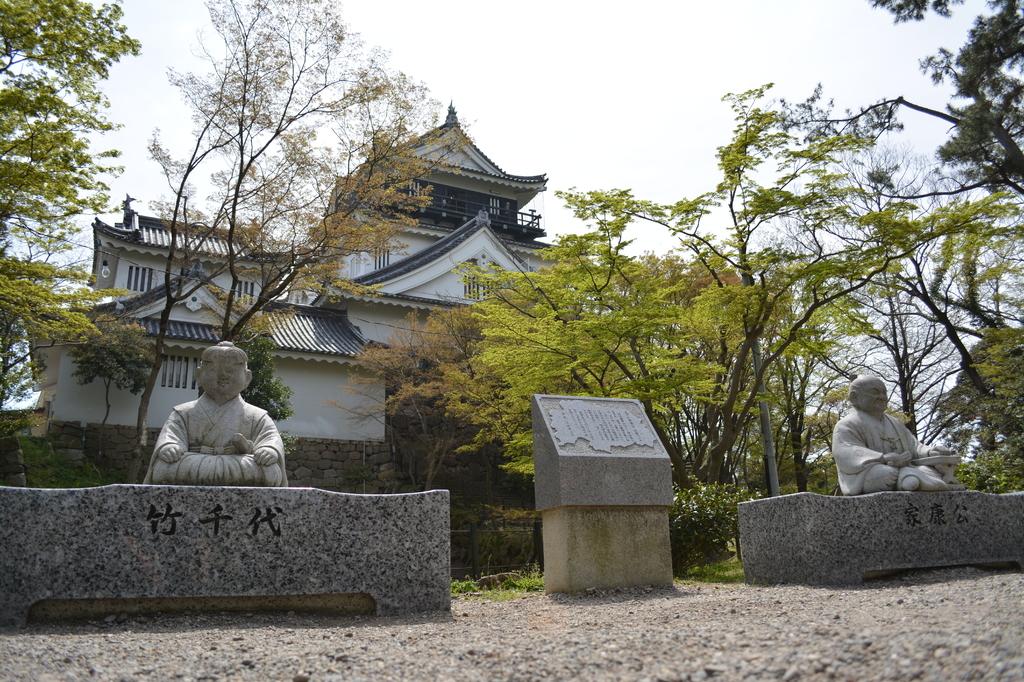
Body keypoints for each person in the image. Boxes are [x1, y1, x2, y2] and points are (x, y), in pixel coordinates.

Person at [144, 341, 287, 486]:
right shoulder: (183, 412)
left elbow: (270, 438)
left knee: (270, 469)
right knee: (164, 466)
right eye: (213, 370)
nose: (223, 376)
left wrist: (268, 449)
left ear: (247, 378)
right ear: (199, 375)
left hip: (237, 464)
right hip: (194, 462)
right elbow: (171, 436)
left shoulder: (257, 416)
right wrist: (169, 446)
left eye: (231, 371)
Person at [831, 375, 961, 495]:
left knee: (932, 470)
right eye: (875, 392)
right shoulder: (847, 424)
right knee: (885, 474)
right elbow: (846, 452)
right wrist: (884, 458)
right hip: (867, 473)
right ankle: (910, 478)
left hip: (906, 467)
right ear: (855, 397)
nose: (882, 397)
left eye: (884, 392)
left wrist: (930, 452)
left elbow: (914, 446)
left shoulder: (894, 422)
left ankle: (909, 478)